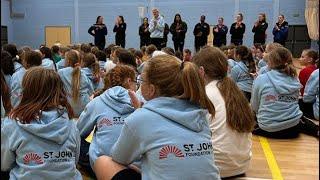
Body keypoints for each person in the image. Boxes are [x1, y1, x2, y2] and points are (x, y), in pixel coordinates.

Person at [94, 55, 221, 180]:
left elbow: (118, 157)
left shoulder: (141, 118)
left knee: (103, 162)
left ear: (151, 89)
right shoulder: (199, 113)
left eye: (141, 81)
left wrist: (139, 114)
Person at [1, 67, 82, 179]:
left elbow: (4, 164)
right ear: (59, 91)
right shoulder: (70, 123)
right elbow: (75, 159)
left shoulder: (12, 123)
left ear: (25, 90)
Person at [193, 46, 255, 178]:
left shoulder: (205, 94)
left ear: (201, 71)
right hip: (241, 165)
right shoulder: (236, 92)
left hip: (216, 169)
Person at [77, 65, 137, 175]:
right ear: (129, 81)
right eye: (135, 82)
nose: (136, 86)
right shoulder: (141, 104)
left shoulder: (98, 101)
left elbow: (79, 131)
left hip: (100, 166)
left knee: (78, 140)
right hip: (134, 168)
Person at [251, 47, 319, 138]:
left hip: (268, 129)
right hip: (293, 129)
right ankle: (316, 130)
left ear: (270, 62)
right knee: (300, 117)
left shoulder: (261, 78)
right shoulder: (294, 79)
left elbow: (254, 106)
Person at [57, 50, 94, 117]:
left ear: (67, 61)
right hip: (84, 110)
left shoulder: (60, 73)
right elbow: (91, 92)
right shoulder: (83, 74)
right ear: (80, 61)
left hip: (68, 110)